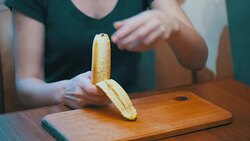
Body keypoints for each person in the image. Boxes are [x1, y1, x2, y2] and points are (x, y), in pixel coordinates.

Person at [4, 0, 208, 109]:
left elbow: (197, 59)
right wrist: (66, 91)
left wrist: (173, 26)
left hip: (129, 116)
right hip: (61, 117)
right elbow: (26, 86)